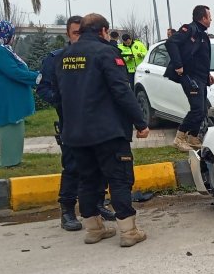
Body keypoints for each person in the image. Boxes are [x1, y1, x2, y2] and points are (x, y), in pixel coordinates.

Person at [55, 13, 149, 247]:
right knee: (119, 179)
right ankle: (129, 231)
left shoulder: (64, 55)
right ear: (104, 31)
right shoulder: (105, 52)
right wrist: (140, 122)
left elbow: (59, 95)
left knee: (87, 180)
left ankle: (94, 229)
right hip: (107, 131)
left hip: (75, 133)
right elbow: (121, 90)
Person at [37, 16, 115, 231]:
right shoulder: (56, 59)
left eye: (82, 33)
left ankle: (98, 205)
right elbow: (43, 89)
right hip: (71, 122)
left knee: (100, 165)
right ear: (68, 35)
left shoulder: (95, 55)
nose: (79, 38)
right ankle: (67, 210)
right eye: (75, 34)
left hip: (97, 122)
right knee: (72, 166)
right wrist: (64, 100)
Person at [0, 19, 38, 168]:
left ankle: (14, 160)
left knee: (15, 130)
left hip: (7, 98)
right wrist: (37, 77)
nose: (13, 37)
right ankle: (10, 162)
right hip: (7, 99)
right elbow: (14, 72)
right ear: (4, 33)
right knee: (10, 130)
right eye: (12, 34)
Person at [164, 5, 214, 152]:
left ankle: (193, 137)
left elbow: (202, 58)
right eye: (209, 17)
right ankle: (179, 139)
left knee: (203, 109)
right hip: (189, 77)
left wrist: (207, 75)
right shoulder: (189, 29)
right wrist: (178, 65)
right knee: (197, 109)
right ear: (203, 18)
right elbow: (171, 42)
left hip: (200, 77)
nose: (211, 20)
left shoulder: (203, 34)